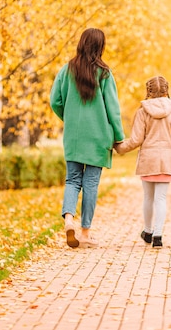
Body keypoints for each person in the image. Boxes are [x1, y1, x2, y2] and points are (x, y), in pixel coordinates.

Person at [50, 28, 125, 249]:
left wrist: (70, 117)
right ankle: (85, 232)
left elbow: (55, 100)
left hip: (74, 136)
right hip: (98, 136)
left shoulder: (66, 70)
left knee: (72, 180)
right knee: (91, 183)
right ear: (100, 46)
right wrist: (119, 137)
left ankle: (68, 220)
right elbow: (113, 108)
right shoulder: (104, 73)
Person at [115, 76, 171, 248]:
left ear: (148, 91)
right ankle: (158, 234)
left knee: (148, 197)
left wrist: (119, 148)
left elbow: (136, 139)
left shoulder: (142, 112)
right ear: (166, 90)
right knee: (161, 198)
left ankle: (147, 231)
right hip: (165, 160)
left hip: (148, 159)